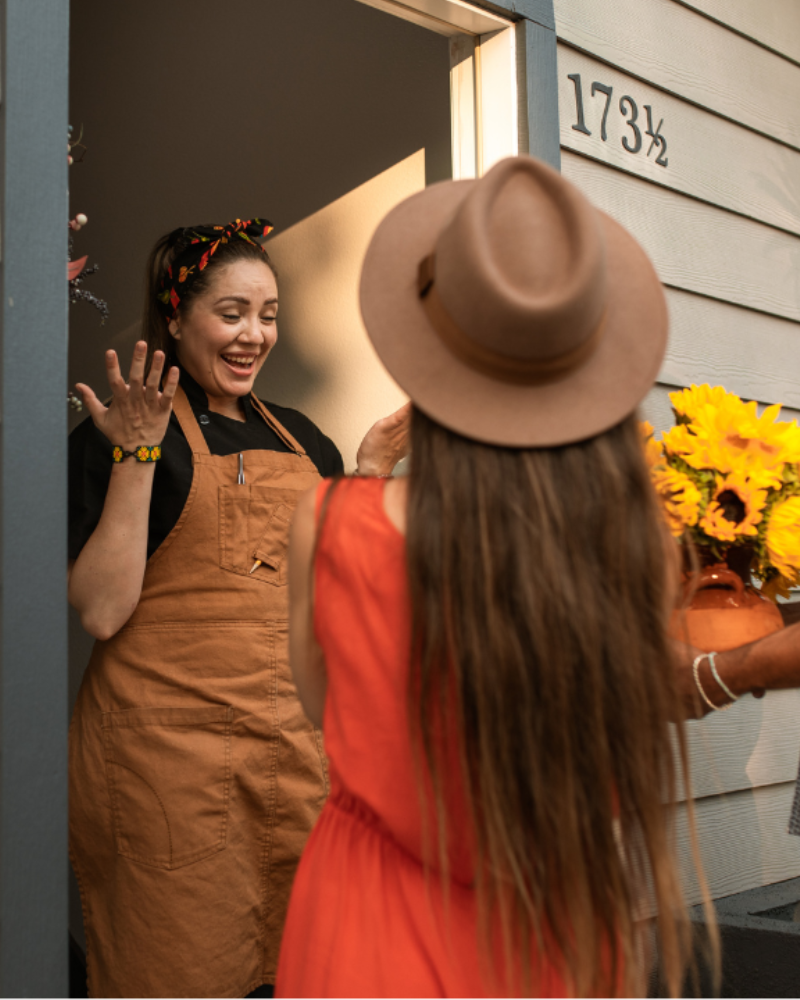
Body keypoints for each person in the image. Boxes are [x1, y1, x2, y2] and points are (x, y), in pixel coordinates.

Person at [276, 158, 800, 998]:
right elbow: (635, 700)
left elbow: (321, 705)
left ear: (428, 358)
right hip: (555, 925)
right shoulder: (630, 535)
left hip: (364, 925)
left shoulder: (333, 521)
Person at [68, 218, 409, 999]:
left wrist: (367, 471)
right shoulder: (118, 435)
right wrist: (136, 456)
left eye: (269, 313)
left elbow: (343, 601)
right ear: (176, 316)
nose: (255, 335)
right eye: (231, 313)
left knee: (309, 972)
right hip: (168, 777)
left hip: (292, 764)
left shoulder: (306, 442)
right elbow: (99, 610)